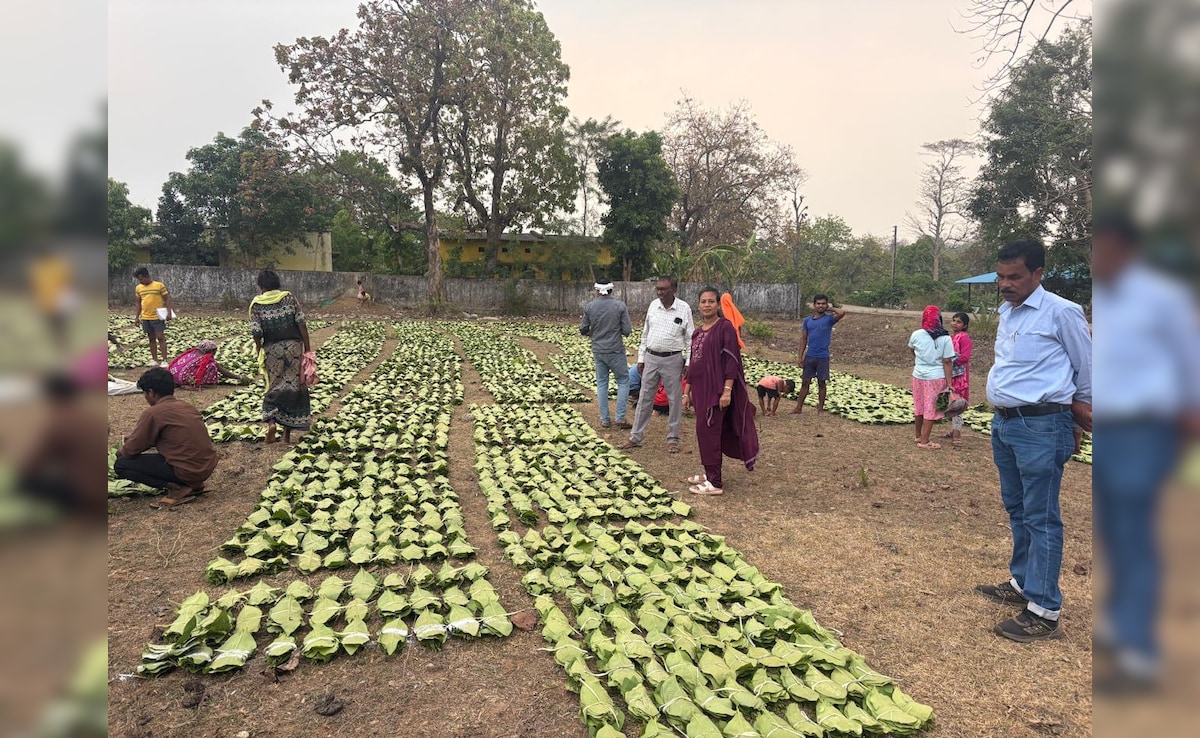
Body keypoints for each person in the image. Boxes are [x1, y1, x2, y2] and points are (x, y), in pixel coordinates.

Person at [1091, 214, 1200, 690]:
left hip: (1146, 429)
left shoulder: (1163, 298)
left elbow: (1190, 361)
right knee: (1111, 529)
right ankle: (1118, 624)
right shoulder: (1105, 302)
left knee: (1135, 532)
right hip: (1109, 430)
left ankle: (1140, 652)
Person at [974, 239, 1091, 643]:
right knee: (1017, 507)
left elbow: (1086, 369)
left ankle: (1044, 610)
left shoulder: (1062, 312)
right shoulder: (1008, 311)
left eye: (1015, 276)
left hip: (1041, 425)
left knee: (1040, 516)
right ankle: (1023, 582)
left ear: (1038, 274)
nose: (1005, 284)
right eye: (1001, 277)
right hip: (1006, 424)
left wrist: (1078, 418)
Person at [681, 286, 759, 495]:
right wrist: (686, 393)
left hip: (715, 392)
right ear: (698, 305)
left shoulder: (724, 328)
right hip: (699, 391)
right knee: (705, 434)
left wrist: (726, 391)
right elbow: (693, 365)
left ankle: (715, 483)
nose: (706, 305)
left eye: (711, 301)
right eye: (703, 301)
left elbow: (732, 362)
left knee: (709, 433)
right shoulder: (697, 333)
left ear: (718, 304)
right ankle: (710, 472)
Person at [113, 367, 219, 508]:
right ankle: (193, 484)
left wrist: (120, 451)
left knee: (122, 464)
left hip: (187, 470)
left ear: (151, 392)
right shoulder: (186, 406)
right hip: (206, 467)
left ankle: (177, 487)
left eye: (145, 393)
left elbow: (133, 449)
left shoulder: (153, 413)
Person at [620, 276, 694, 453]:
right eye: (658, 289)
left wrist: (689, 362)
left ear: (673, 290)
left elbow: (690, 339)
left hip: (673, 359)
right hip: (651, 358)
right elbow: (645, 334)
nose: (660, 292)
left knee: (674, 400)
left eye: (663, 289)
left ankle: (673, 439)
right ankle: (635, 437)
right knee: (645, 397)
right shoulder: (653, 305)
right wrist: (641, 358)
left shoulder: (684, 309)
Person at [19, 373, 107, 519]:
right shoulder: (94, 416)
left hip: (86, 494)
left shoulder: (59, 423)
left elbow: (33, 464)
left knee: (26, 482)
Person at [250, 270, 313, 444]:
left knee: (273, 387)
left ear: (261, 286)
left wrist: (258, 349)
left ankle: (271, 423)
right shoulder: (289, 298)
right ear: (277, 284)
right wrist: (307, 349)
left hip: (272, 350)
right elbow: (301, 323)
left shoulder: (257, 304)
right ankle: (286, 436)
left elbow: (256, 331)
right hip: (293, 348)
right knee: (292, 387)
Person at [580, 282, 633, 430]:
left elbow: (583, 329)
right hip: (615, 350)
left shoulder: (590, 307)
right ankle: (620, 417)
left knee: (602, 383)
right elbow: (627, 330)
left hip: (598, 350)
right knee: (623, 381)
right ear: (611, 290)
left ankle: (604, 419)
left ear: (597, 290)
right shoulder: (620, 306)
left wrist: (595, 333)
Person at [907, 306, 957, 449]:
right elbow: (947, 361)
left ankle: (918, 435)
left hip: (918, 375)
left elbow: (912, 350)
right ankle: (925, 441)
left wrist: (921, 361)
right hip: (935, 377)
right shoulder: (945, 338)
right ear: (939, 318)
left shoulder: (916, 334)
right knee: (931, 408)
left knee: (919, 405)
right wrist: (949, 383)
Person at [791, 294, 846, 414]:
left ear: (826, 305)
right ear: (814, 305)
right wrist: (800, 356)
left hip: (823, 357)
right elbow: (804, 339)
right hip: (810, 356)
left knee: (821, 382)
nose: (820, 306)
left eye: (823, 304)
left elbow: (841, 313)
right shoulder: (807, 321)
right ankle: (798, 408)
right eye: (818, 303)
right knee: (805, 382)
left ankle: (820, 409)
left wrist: (830, 309)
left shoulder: (829, 319)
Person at [942, 312, 973, 447]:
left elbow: (965, 357)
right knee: (950, 403)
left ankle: (957, 435)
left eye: (958, 322)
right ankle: (953, 430)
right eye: (953, 320)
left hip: (959, 377)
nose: (955, 323)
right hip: (951, 375)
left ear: (965, 325)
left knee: (958, 404)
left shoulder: (964, 338)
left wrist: (951, 361)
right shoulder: (951, 337)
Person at [167, 340, 251, 389]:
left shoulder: (192, 353)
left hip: (172, 377)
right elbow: (224, 372)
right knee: (212, 366)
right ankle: (203, 384)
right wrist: (239, 377)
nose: (215, 353)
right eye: (215, 351)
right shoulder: (207, 359)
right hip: (183, 379)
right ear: (211, 351)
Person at [133, 266, 173, 368]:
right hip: (146, 317)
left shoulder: (159, 285)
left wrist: (169, 312)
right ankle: (154, 359)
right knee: (151, 338)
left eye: (141, 279)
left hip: (157, 316)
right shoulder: (139, 288)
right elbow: (138, 303)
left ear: (147, 276)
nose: (140, 281)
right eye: (139, 280)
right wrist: (137, 317)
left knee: (160, 337)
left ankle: (164, 360)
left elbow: (167, 299)